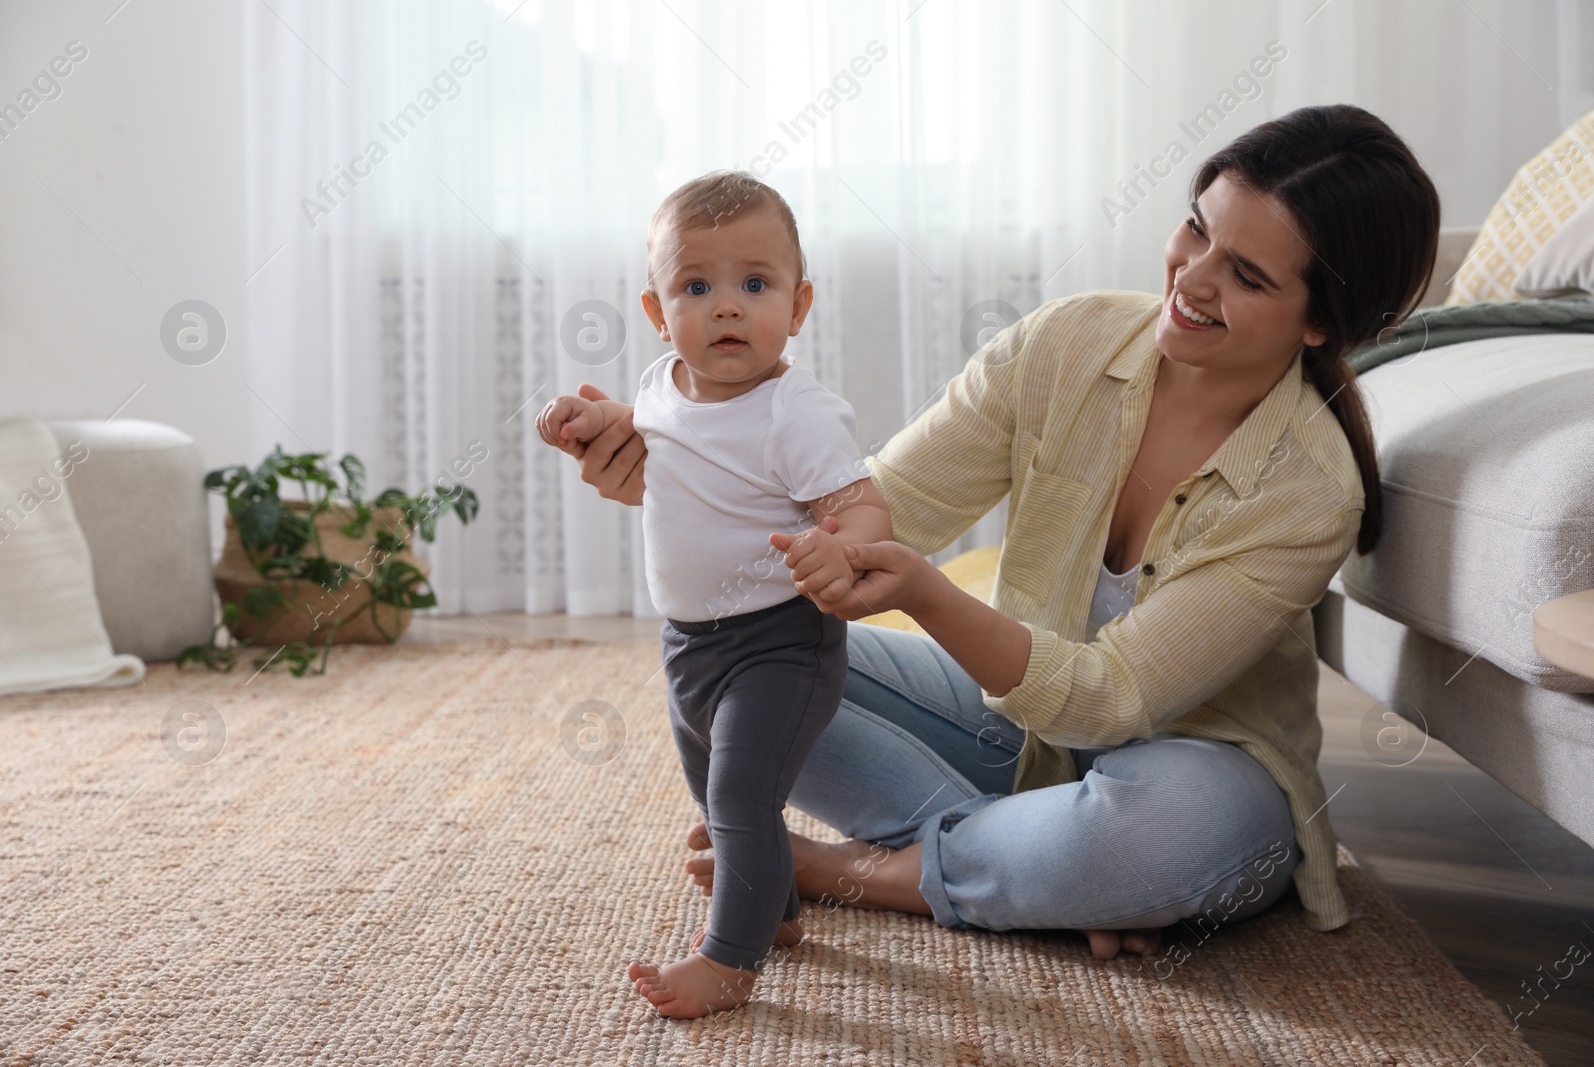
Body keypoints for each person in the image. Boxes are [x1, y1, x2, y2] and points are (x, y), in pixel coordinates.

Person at [553, 105, 1439, 969]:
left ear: (1322, 321)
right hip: (1010, 731)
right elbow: (874, 505)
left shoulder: (1310, 491)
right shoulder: (1067, 344)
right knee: (743, 657)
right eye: (1195, 229)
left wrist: (925, 593)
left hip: (1196, 771)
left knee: (1178, 833)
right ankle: (1042, 874)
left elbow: (1114, 698)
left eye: (1246, 275)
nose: (1192, 278)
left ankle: (874, 872)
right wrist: (681, 475)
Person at [537, 171, 892, 1018]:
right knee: (716, 793)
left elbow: (862, 504)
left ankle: (729, 962)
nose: (726, 307)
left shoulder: (794, 413)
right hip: (689, 644)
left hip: (780, 640)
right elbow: (650, 436)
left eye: (755, 284)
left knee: (741, 796)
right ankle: (777, 912)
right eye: (697, 287)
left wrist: (840, 547)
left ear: (799, 305)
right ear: (660, 314)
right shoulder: (663, 386)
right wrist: (582, 420)